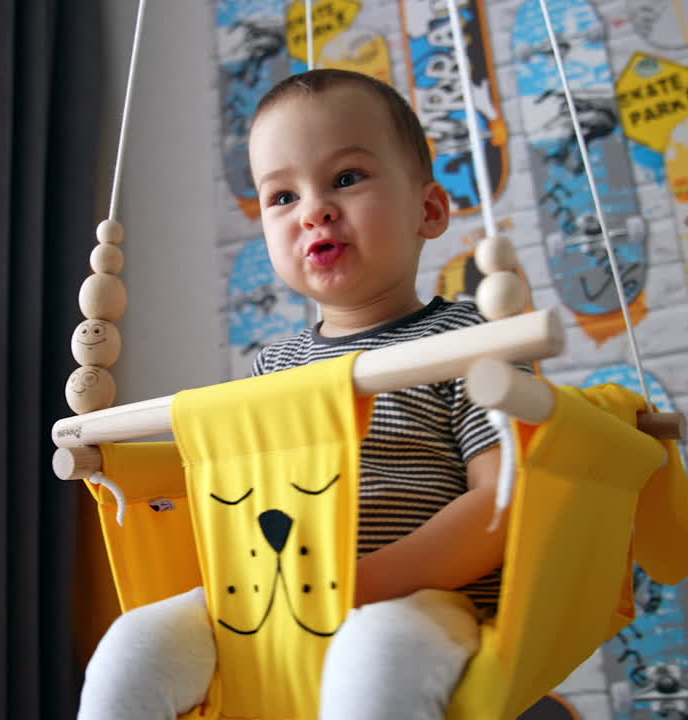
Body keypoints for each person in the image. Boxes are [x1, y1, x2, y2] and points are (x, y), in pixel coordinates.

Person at [79, 68, 508, 720]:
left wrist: (359, 584)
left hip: (424, 599)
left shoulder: (466, 339)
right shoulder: (273, 370)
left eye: (345, 179)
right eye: (282, 197)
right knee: (132, 646)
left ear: (429, 210)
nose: (315, 210)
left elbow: (501, 503)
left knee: (376, 656)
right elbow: (236, 504)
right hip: (272, 596)